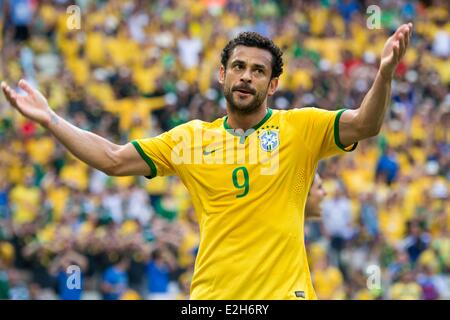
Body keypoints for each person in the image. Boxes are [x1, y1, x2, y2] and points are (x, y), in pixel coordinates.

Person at [1, 23, 413, 299]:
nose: (246, 76)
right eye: (238, 67)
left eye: (257, 70)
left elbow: (364, 125)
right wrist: (51, 119)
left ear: (272, 84)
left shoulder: (301, 128)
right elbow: (112, 159)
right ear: (222, 75)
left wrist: (384, 76)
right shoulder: (191, 139)